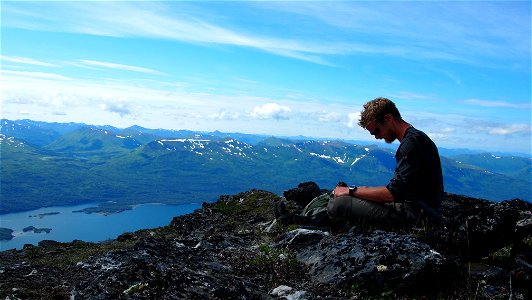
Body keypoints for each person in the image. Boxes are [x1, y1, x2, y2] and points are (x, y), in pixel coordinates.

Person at [328, 97, 444, 227]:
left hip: (416, 216)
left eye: (376, 131)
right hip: (421, 210)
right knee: (349, 195)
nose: (377, 137)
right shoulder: (417, 138)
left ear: (388, 118)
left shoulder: (411, 144)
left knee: (340, 203)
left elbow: (392, 194)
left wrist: (351, 190)